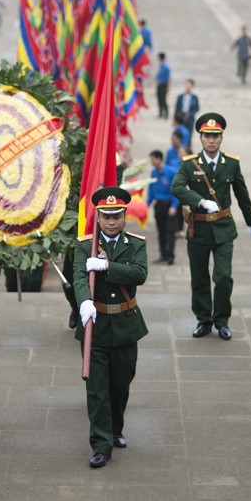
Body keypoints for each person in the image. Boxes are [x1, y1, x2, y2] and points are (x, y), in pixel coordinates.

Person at [73, 187, 148, 468]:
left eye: (117, 216)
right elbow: (79, 277)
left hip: (126, 324)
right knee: (97, 389)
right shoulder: (84, 245)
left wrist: (106, 266)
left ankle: (116, 427)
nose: (112, 222)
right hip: (97, 324)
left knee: (120, 384)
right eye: (106, 217)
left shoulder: (136, 244)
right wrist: (83, 303)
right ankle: (101, 444)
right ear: (98, 218)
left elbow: (140, 274)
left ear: (124, 216)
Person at [170, 113, 251, 341]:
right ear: (200, 137)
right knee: (199, 279)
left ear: (221, 138)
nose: (211, 140)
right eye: (207, 136)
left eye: (216, 136)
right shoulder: (190, 164)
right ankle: (203, 320)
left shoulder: (230, 163)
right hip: (198, 229)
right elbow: (177, 187)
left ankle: (222, 320)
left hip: (223, 229)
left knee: (223, 277)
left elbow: (242, 193)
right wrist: (199, 201)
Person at [147, 151, 179, 265]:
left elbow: (176, 190)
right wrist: (146, 205)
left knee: (170, 231)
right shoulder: (154, 173)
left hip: (169, 204)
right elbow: (151, 190)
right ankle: (163, 254)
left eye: (152, 159)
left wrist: (174, 206)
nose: (151, 162)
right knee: (161, 231)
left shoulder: (170, 172)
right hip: (159, 204)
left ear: (159, 159)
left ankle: (170, 255)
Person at [155, 52, 171, 119]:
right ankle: (160, 114)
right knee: (159, 99)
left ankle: (166, 115)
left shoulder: (166, 67)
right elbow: (158, 76)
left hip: (164, 85)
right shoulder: (161, 66)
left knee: (164, 100)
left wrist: (168, 87)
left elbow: (168, 78)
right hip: (159, 85)